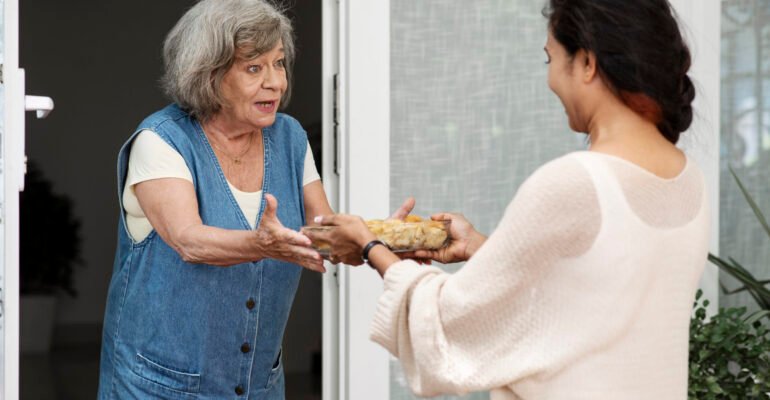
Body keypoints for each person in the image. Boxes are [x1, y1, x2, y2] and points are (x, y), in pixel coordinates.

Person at [306, 0, 710, 398]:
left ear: (586, 63)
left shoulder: (575, 181)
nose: (550, 78)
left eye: (549, 58)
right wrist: (484, 248)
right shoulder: (690, 179)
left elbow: (450, 317)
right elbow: (587, 296)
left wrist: (369, 243)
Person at [96, 1, 419, 398]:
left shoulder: (290, 138)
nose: (276, 83)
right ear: (210, 75)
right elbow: (189, 241)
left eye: (279, 64)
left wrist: (379, 241)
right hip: (158, 386)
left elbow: (323, 234)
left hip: (256, 385)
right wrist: (260, 244)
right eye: (254, 68)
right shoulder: (161, 141)